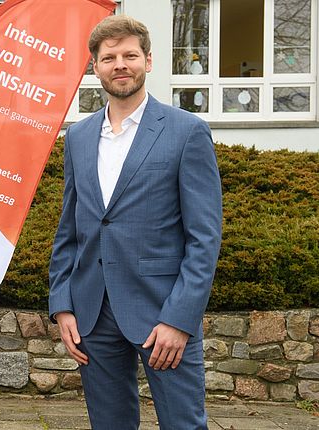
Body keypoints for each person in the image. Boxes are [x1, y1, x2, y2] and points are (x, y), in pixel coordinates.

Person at [48, 15, 222, 429]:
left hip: (163, 311)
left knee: (183, 424)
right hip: (93, 314)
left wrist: (179, 319)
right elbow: (69, 228)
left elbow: (204, 237)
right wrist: (63, 305)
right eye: (109, 58)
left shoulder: (187, 132)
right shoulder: (79, 136)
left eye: (129, 55)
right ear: (95, 67)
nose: (120, 64)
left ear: (149, 60)